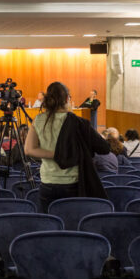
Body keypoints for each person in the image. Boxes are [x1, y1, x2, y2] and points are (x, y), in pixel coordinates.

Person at [25, 81, 110, 212]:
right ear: (67, 98)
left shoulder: (38, 119)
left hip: (47, 181)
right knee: (72, 225)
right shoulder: (79, 123)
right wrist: (63, 152)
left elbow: (29, 149)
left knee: (50, 225)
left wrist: (56, 154)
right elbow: (104, 148)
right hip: (72, 183)